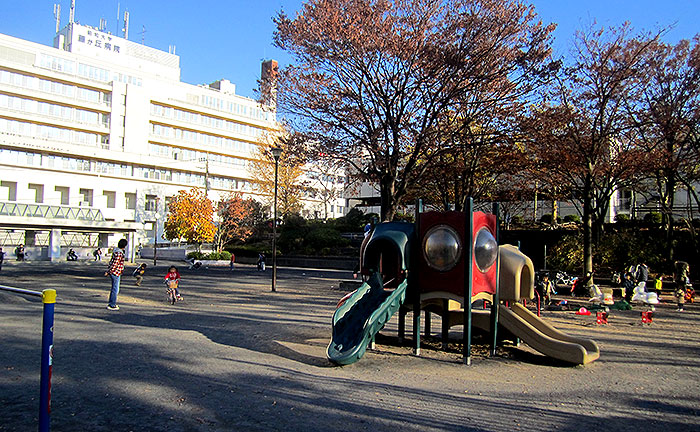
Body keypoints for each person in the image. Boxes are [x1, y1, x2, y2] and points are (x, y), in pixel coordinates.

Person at [105, 239, 127, 311]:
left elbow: (111, 262)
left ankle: (112, 303)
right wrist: (109, 271)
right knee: (115, 289)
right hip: (116, 272)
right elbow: (115, 264)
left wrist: (108, 270)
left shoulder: (115, 251)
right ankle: (112, 304)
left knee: (114, 288)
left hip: (114, 272)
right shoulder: (119, 253)